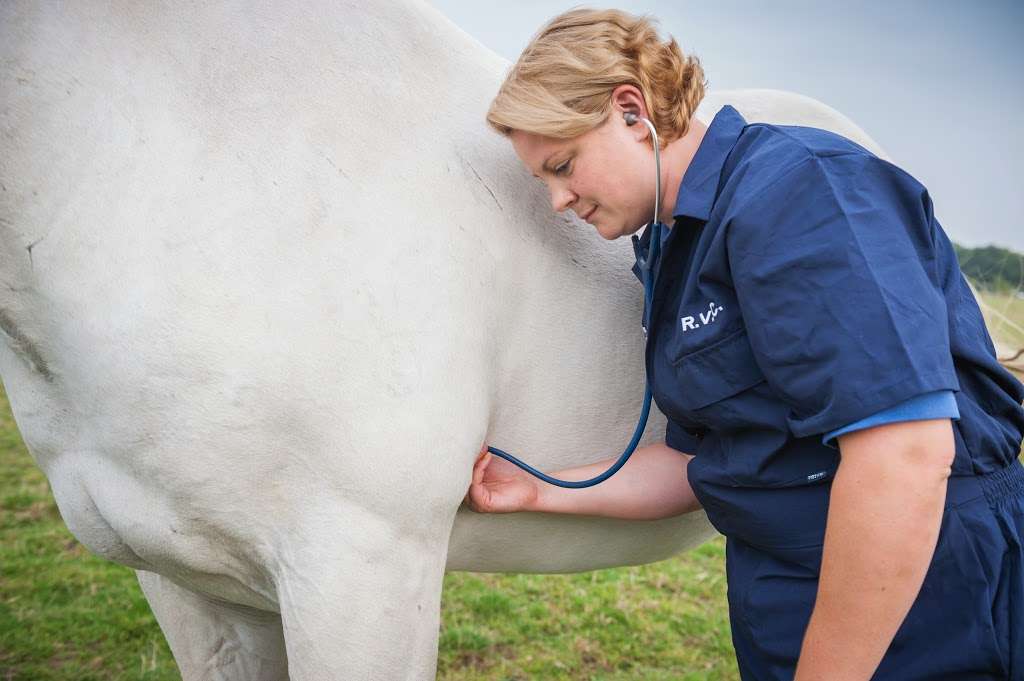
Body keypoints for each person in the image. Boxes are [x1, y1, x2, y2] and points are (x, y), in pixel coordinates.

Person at [465, 8, 1024, 680]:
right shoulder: (678, 249)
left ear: (631, 110)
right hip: (801, 602)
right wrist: (542, 491)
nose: (558, 200)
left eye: (562, 165)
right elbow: (716, 461)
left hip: (919, 606)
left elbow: (903, 457)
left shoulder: (799, 193)